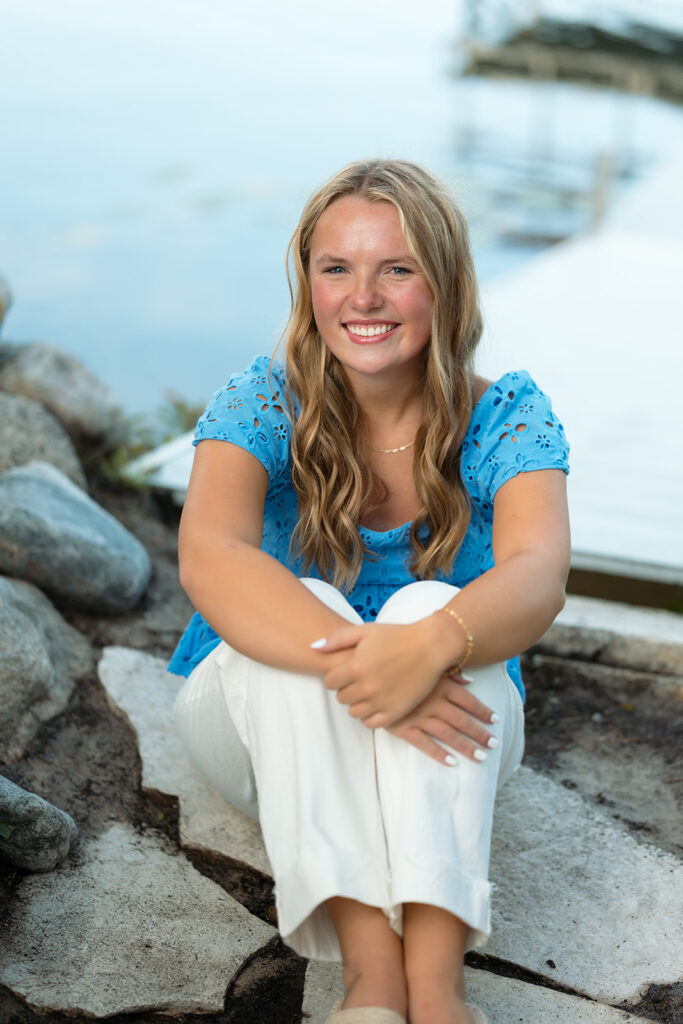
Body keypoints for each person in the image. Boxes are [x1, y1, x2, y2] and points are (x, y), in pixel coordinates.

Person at [169, 158, 571, 1024]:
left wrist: (422, 647)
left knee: (431, 607)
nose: (364, 297)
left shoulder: (506, 415)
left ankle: (435, 989)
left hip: (450, 715)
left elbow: (539, 573)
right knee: (300, 601)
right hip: (258, 720)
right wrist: (371, 666)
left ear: (445, 283)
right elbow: (210, 557)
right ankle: (368, 979)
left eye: (397, 269)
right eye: (336, 268)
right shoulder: (261, 400)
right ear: (308, 283)